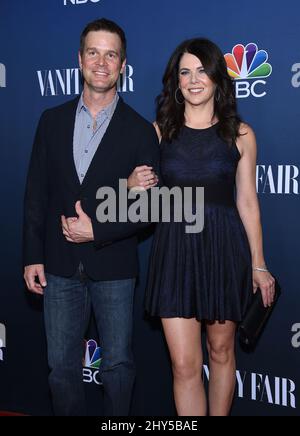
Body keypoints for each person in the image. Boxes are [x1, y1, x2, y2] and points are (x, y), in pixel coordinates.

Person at [23, 18, 159, 416]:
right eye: (94, 52)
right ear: (79, 59)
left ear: (123, 65)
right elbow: (36, 194)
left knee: (118, 366)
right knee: (61, 369)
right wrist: (32, 255)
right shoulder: (51, 120)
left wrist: (96, 229)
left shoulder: (140, 131)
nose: (102, 62)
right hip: (59, 265)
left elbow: (150, 208)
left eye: (111, 54)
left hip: (115, 266)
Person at [143, 38, 275, 416]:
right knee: (184, 365)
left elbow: (247, 201)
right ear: (175, 82)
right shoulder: (158, 133)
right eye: (185, 71)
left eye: (202, 70)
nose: (194, 79)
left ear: (218, 77)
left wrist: (259, 264)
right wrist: (133, 186)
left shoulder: (241, 134)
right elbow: (139, 200)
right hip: (174, 251)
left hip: (223, 248)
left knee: (221, 352)